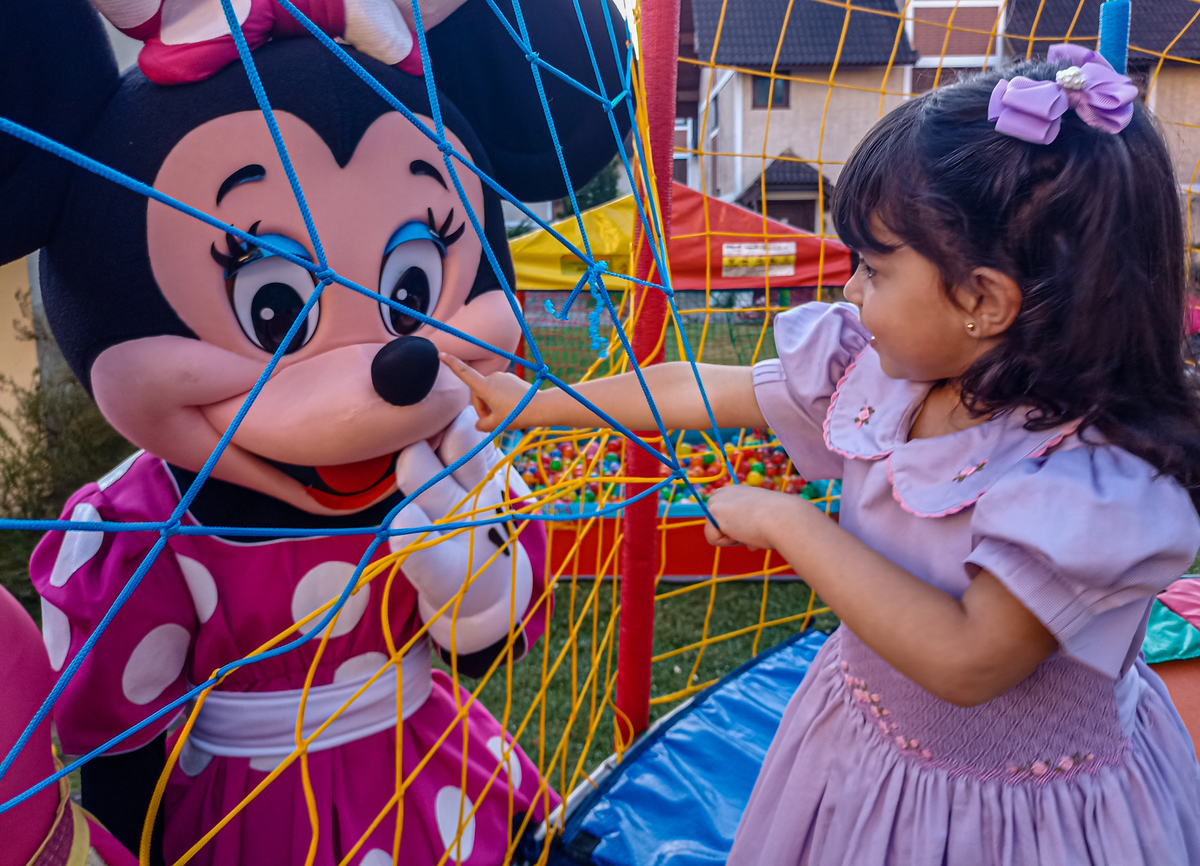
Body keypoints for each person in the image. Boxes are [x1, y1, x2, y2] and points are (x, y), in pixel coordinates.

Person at [442, 45, 1200, 865]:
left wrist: (785, 522)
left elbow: (969, 659)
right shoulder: (879, 377)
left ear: (984, 301)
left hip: (1014, 815)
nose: (848, 291)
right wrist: (539, 403)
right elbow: (700, 388)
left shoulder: (1087, 482)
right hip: (865, 747)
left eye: (873, 269)